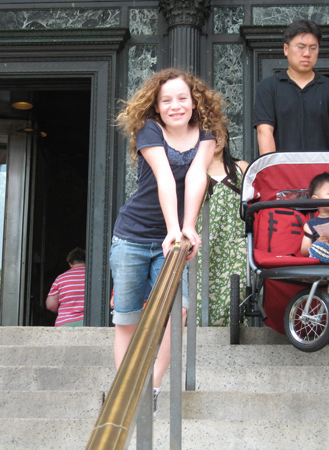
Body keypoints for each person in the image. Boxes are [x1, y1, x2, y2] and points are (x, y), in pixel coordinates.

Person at [110, 68, 228, 410]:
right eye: (166, 100)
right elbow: (164, 177)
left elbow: (196, 177)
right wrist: (173, 228)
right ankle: (127, 391)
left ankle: (152, 387)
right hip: (132, 236)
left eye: (182, 98)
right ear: (157, 107)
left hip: (171, 241)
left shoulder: (206, 133)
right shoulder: (149, 129)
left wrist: (188, 227)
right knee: (128, 319)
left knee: (178, 314)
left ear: (194, 102)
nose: (175, 106)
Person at [253, 19, 329, 155]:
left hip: (322, 167)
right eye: (301, 47)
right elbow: (264, 132)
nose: (307, 53)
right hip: (283, 166)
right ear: (286, 49)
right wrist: (272, 167)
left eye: (313, 48)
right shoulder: (268, 87)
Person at [197, 139, 248, 326]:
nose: (215, 140)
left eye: (218, 134)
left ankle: (233, 334)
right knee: (201, 290)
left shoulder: (241, 167)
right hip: (204, 241)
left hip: (236, 242)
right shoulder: (195, 170)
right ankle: (202, 336)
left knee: (237, 289)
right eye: (209, 135)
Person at [45, 247, 86, 327]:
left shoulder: (60, 279)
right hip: (90, 323)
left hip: (65, 322)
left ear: (70, 264)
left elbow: (50, 305)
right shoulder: (94, 278)